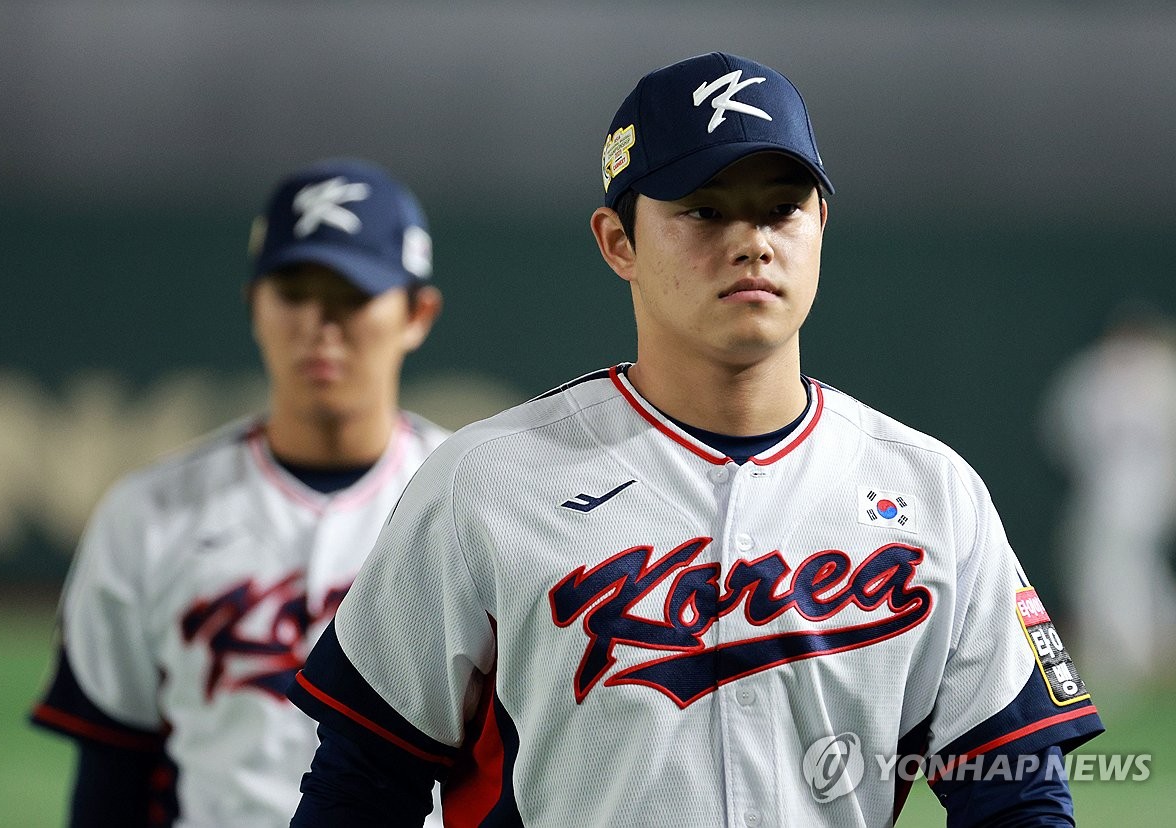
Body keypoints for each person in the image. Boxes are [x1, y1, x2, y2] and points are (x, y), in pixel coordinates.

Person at [287, 54, 1104, 827]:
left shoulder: (935, 494)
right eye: (704, 209)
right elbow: (362, 786)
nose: (751, 240)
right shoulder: (486, 483)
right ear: (618, 242)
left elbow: (1017, 797)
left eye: (782, 206)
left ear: (820, 223)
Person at [31, 158, 449, 827]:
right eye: (294, 290)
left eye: (351, 294)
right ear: (254, 302)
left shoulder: (475, 502)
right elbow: (113, 772)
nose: (320, 324)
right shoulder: (147, 515)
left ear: (417, 314)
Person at [1039, 301, 1176, 692]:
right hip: (1127, 486)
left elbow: (1062, 433)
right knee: (1120, 570)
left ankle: (1130, 659)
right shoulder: (1149, 371)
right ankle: (1147, 648)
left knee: (1112, 571)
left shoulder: (1103, 373)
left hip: (1122, 487)